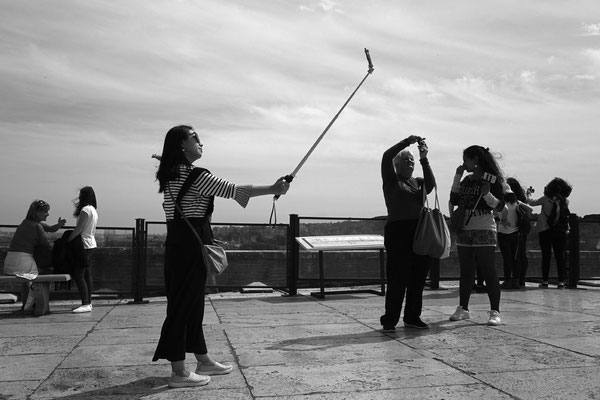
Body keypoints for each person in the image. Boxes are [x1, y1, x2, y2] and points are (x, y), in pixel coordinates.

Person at [152, 125, 290, 389]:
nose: (201, 143)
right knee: (183, 307)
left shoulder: (170, 175)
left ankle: (202, 359)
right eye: (195, 139)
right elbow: (234, 190)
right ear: (182, 146)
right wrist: (273, 187)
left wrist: (167, 158)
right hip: (191, 248)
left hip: (179, 245)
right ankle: (179, 373)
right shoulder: (196, 176)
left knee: (191, 305)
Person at [379, 135, 435, 331]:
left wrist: (423, 157)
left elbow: (431, 184)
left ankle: (412, 316)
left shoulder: (418, 182)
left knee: (418, 277)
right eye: (406, 159)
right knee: (397, 277)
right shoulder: (392, 180)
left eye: (411, 160)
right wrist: (406, 142)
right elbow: (386, 156)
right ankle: (390, 319)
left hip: (419, 231)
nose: (410, 162)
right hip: (398, 232)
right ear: (397, 165)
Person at [448, 145, 505, 326]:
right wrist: (457, 176)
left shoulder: (492, 179)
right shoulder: (466, 180)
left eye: (466, 160)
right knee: (466, 271)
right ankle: (463, 308)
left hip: (484, 226)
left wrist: (487, 194)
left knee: (488, 270)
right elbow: (454, 199)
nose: (464, 163)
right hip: (465, 227)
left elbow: (500, 206)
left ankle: (495, 311)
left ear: (475, 160)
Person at [3, 200, 64, 311]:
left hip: (11, 261)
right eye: (45, 212)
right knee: (45, 271)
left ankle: (27, 304)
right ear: (37, 213)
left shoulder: (26, 222)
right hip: (21, 261)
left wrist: (59, 225)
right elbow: (45, 244)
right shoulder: (37, 226)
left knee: (26, 278)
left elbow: (50, 228)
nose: (48, 214)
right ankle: (37, 305)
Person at [527, 177, 573, 288]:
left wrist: (528, 194)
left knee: (546, 256)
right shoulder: (565, 201)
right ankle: (561, 281)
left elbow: (532, 203)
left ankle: (545, 281)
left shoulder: (545, 199)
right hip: (560, 231)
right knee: (559, 256)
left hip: (545, 230)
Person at [68, 186, 98, 313]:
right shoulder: (93, 210)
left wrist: (68, 240)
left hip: (84, 245)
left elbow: (79, 229)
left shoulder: (85, 210)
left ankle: (85, 303)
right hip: (91, 244)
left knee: (78, 275)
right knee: (86, 275)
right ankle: (88, 302)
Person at [497, 182, 532, 289]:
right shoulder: (517, 203)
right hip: (516, 233)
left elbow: (499, 216)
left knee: (507, 258)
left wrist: (504, 221)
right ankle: (516, 281)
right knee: (515, 258)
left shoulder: (501, 204)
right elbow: (530, 209)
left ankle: (507, 280)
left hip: (503, 233)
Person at [506, 177, 533, 287]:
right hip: (523, 229)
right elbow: (529, 211)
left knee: (513, 255)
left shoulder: (511, 200)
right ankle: (521, 279)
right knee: (521, 255)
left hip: (514, 229)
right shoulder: (521, 199)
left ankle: (515, 278)